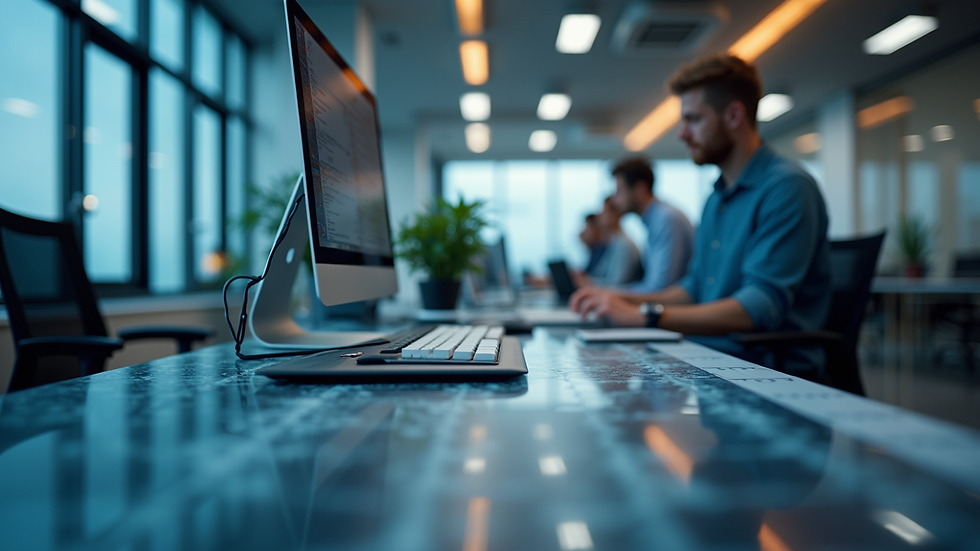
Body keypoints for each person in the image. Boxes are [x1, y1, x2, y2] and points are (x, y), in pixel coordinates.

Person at [571, 53, 832, 377]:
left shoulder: (787, 188)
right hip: (712, 357)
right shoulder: (716, 197)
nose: (682, 133)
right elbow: (694, 288)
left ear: (734, 116)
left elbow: (760, 307)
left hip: (766, 372)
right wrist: (618, 297)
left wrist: (647, 316)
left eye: (693, 119)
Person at [610, 158, 694, 293]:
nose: (614, 200)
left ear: (639, 190)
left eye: (619, 191)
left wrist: (609, 294)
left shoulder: (666, 220)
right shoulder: (655, 220)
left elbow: (660, 289)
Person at [580, 197, 642, 287]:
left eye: (604, 211)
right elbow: (600, 273)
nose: (599, 215)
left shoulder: (624, 245)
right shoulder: (614, 243)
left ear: (614, 215)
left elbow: (617, 285)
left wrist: (586, 283)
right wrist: (582, 279)